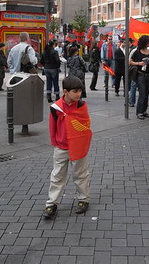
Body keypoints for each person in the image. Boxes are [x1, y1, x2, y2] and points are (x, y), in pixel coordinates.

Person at [42, 76, 92, 219]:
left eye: (80, 91)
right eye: (75, 91)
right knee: (57, 175)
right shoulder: (56, 108)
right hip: (61, 146)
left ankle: (84, 199)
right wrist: (55, 143)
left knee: (80, 174)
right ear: (65, 91)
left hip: (77, 146)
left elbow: (85, 127)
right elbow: (52, 127)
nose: (78, 94)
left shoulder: (82, 106)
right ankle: (52, 203)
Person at [129, 35, 149, 119]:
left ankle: (144, 110)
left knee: (146, 93)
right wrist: (139, 63)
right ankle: (139, 112)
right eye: (148, 41)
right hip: (140, 74)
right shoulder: (137, 51)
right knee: (142, 93)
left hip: (148, 74)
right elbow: (130, 62)